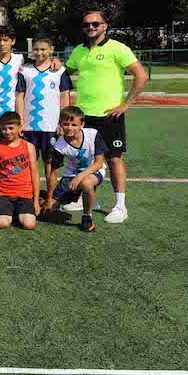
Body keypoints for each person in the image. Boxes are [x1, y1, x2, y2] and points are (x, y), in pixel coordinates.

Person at [63, 11, 148, 224]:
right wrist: (54, 64)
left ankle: (120, 206)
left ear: (105, 25)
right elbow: (65, 72)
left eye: (95, 23)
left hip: (109, 115)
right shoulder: (79, 50)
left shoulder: (117, 48)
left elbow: (141, 75)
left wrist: (126, 104)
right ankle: (87, 198)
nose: (91, 27)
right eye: (86, 24)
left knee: (113, 159)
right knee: (85, 158)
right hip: (84, 115)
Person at [15, 35, 72, 207]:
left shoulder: (59, 71)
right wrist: (20, 121)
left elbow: (65, 96)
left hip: (51, 126)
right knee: (29, 163)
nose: (39, 53)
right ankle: (30, 199)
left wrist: (63, 122)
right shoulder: (25, 71)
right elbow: (20, 96)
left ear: (51, 50)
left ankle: (50, 200)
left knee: (50, 164)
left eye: (43, 49)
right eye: (36, 49)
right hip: (29, 126)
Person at [48, 106, 109, 232]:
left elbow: (99, 163)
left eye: (74, 125)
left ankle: (87, 217)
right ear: (60, 123)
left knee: (86, 183)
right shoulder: (59, 145)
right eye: (66, 124)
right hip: (71, 174)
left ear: (82, 125)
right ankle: (50, 197)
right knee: (49, 209)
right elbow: (54, 172)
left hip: (94, 171)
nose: (69, 128)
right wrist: (50, 196)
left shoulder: (93, 134)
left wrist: (79, 177)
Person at [0, 111, 39, 230]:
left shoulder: (29, 146)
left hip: (24, 194)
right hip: (3, 194)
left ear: (20, 127)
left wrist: (35, 201)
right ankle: (10, 213)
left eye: (11, 128)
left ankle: (17, 213)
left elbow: (35, 174)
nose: (7, 132)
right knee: (3, 224)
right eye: (4, 129)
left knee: (29, 224)